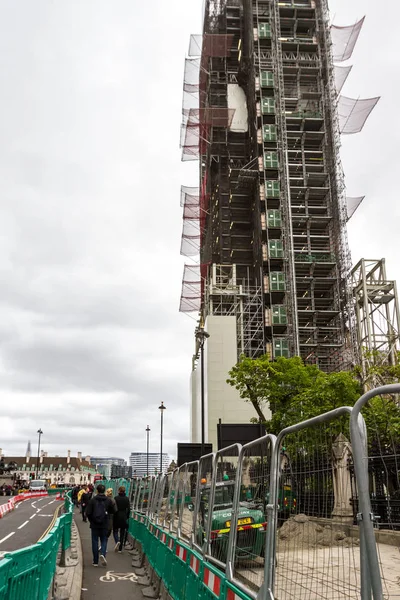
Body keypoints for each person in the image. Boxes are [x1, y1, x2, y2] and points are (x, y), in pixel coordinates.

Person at [86, 484, 116, 566]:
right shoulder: (108, 500)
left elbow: (88, 512)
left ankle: (95, 561)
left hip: (94, 525)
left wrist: (91, 520)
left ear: (97, 491)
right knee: (104, 540)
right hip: (105, 523)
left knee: (95, 542)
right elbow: (114, 510)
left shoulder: (92, 500)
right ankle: (103, 553)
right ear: (104, 490)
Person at [113, 486, 130, 553]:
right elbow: (128, 509)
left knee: (115, 531)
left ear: (119, 491)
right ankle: (120, 549)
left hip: (116, 516)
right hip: (124, 516)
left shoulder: (116, 498)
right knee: (122, 532)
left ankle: (117, 541)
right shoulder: (127, 499)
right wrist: (127, 516)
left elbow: (113, 507)